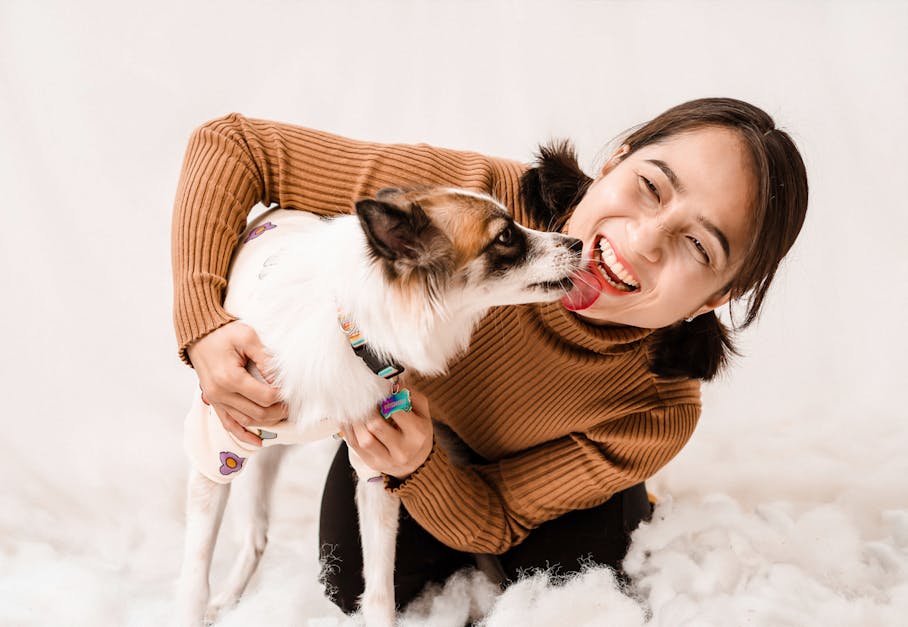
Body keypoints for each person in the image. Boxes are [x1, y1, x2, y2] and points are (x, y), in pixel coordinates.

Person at [171, 98, 808, 614]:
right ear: (615, 161)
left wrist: (420, 468)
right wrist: (203, 321)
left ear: (719, 297)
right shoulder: (463, 204)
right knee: (352, 578)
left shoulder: (655, 410)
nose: (642, 241)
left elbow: (499, 514)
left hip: (525, 485)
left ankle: (623, 503)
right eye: (649, 187)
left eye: (699, 247)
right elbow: (234, 144)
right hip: (423, 431)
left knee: (567, 580)